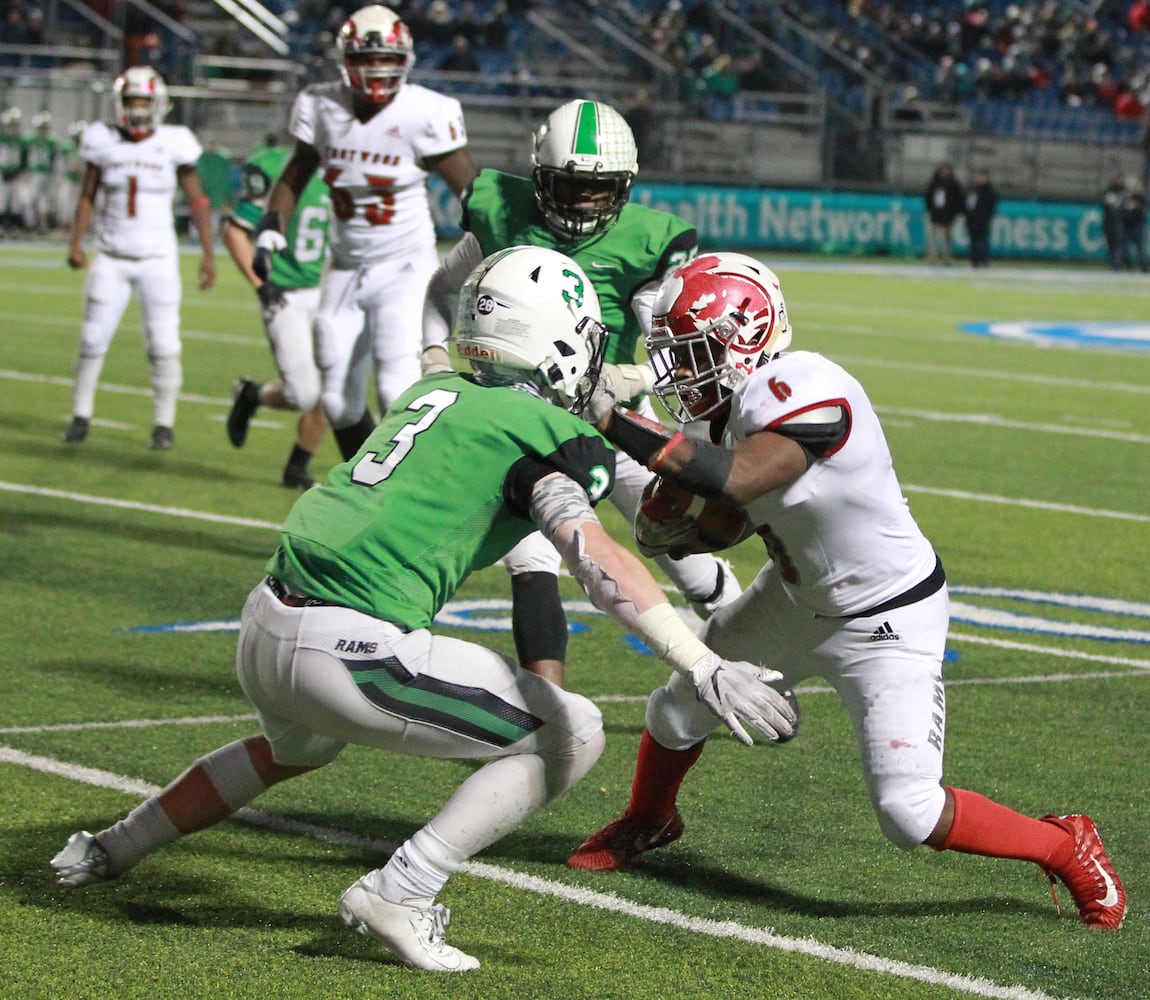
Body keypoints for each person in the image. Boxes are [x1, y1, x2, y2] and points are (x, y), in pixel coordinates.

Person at [49, 245, 797, 973]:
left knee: (288, 749)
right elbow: (596, 562)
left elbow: (461, 364)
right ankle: (402, 890)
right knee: (575, 729)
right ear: (559, 343)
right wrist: (699, 661)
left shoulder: (432, 390)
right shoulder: (544, 437)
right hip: (349, 649)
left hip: (265, 623)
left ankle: (114, 845)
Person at [565, 251, 1127, 934]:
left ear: (744, 337)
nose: (678, 375)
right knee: (678, 707)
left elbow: (739, 479)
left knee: (908, 811)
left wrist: (612, 419)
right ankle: (649, 820)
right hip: (793, 601)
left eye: (691, 354)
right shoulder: (713, 419)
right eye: (673, 357)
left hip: (887, 617)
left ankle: (1065, 844)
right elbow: (714, 523)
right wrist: (670, 524)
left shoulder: (804, 381)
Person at [420, 99, 743, 686]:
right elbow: (445, 286)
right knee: (533, 561)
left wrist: (635, 377)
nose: (581, 203)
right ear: (541, 177)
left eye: (598, 190)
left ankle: (750, 663)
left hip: (611, 418)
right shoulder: (500, 208)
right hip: (521, 413)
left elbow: (681, 346)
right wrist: (434, 357)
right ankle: (548, 708)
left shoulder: (649, 243)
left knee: (680, 546)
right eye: (568, 187)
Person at [253, 4, 477, 462]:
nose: (376, 71)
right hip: (345, 265)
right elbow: (295, 173)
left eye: (386, 60)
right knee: (336, 402)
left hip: (406, 263)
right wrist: (270, 228)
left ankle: (410, 492)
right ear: (345, 61)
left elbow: (472, 192)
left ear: (405, 61)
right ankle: (371, 481)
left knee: (397, 385)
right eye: (366, 60)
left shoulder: (425, 111)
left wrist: (494, 247)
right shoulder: (321, 105)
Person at [63, 66, 216, 450]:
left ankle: (164, 424)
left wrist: (209, 254)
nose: (136, 108)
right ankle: (80, 416)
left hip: (157, 259)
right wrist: (75, 242)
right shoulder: (103, 141)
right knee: (92, 337)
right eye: (130, 100)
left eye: (142, 101)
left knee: (164, 344)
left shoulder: (174, 142)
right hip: (111, 257)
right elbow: (88, 195)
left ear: (158, 104)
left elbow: (198, 201)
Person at [223, 137, 331, 490]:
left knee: (335, 388)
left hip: (332, 290)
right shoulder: (274, 165)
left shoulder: (358, 165)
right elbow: (236, 230)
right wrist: (259, 283)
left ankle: (297, 466)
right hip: (285, 293)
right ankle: (252, 395)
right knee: (303, 393)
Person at [923, 161, 964, 264]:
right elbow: (928, 197)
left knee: (948, 237)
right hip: (936, 212)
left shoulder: (954, 184)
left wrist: (956, 212)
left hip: (948, 213)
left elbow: (958, 199)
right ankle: (932, 256)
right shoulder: (934, 183)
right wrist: (930, 209)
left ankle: (948, 257)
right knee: (933, 236)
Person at [964, 168, 997, 268]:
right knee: (974, 241)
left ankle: (984, 260)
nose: (980, 179)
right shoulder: (973, 190)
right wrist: (969, 216)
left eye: (983, 177)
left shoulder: (990, 191)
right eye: (979, 176)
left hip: (984, 219)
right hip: (973, 220)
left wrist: (988, 215)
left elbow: (992, 205)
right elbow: (969, 205)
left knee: (983, 241)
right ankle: (975, 261)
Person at [1120, 179, 1147, 273]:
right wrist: (1127, 210)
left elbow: (1143, 214)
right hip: (1127, 227)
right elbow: (1121, 212)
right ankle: (1129, 267)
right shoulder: (1126, 198)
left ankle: (1144, 268)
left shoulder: (1142, 198)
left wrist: (1135, 208)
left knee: (1140, 250)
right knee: (1124, 248)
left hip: (1138, 226)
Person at [1102, 174, 1126, 271]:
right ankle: (1115, 263)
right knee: (1111, 244)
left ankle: (1116, 265)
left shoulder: (1124, 193)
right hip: (1109, 222)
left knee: (1117, 245)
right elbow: (1106, 207)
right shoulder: (1110, 192)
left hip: (1118, 222)